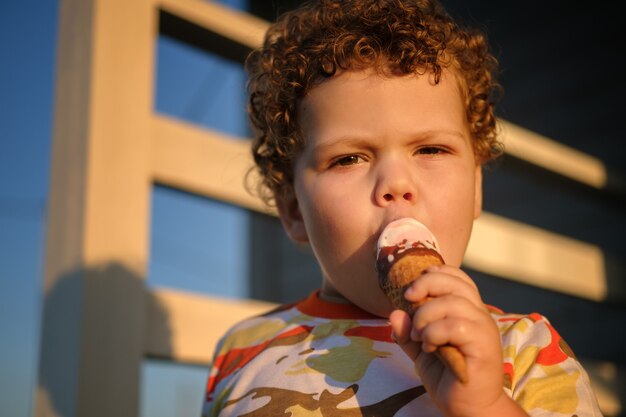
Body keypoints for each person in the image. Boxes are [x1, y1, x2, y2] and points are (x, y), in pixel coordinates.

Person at [202, 0, 602, 416]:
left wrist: (484, 403)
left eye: (430, 149)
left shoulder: (525, 348)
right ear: (293, 210)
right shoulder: (243, 348)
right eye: (348, 158)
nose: (397, 184)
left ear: (477, 188)